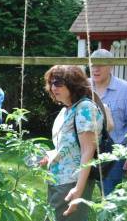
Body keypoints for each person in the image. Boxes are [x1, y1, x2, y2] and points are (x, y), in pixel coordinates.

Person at [41, 65, 104, 221]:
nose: (53, 87)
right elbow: (68, 147)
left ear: (73, 84)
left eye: (58, 82)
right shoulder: (67, 110)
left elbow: (88, 151)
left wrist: (78, 191)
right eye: (51, 83)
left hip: (72, 182)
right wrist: (49, 156)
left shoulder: (85, 108)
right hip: (58, 180)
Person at [91, 48, 127, 195]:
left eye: (101, 65)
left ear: (111, 66)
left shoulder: (126, 90)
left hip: (115, 155)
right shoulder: (83, 87)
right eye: (93, 65)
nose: (95, 69)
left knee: (109, 197)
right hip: (86, 150)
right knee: (81, 195)